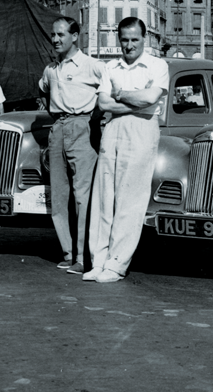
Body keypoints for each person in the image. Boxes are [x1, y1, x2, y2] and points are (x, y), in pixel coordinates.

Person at [84, 17, 169, 283]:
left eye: (134, 39)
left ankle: (117, 264)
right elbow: (104, 104)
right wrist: (136, 99)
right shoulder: (111, 67)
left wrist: (120, 94)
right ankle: (98, 261)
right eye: (124, 40)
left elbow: (151, 98)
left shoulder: (157, 65)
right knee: (104, 195)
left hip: (143, 129)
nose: (129, 45)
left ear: (145, 39)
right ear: (118, 39)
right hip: (113, 129)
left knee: (129, 200)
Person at [39, 16, 103, 275]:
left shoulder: (92, 65)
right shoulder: (50, 69)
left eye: (61, 34)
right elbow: (44, 90)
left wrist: (94, 120)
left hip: (82, 127)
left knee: (82, 196)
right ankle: (67, 252)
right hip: (58, 128)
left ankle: (84, 257)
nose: (55, 39)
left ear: (75, 36)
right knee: (59, 195)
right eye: (53, 35)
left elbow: (109, 90)